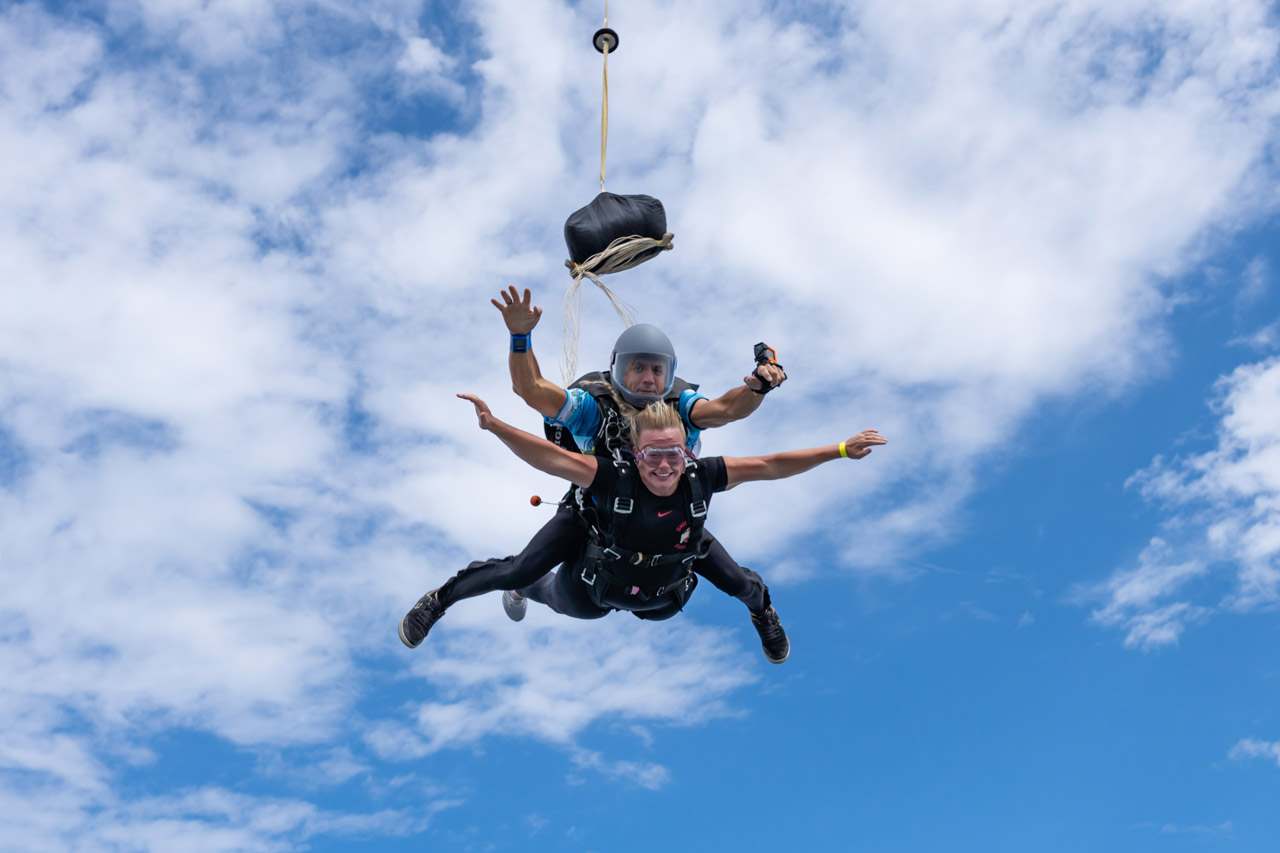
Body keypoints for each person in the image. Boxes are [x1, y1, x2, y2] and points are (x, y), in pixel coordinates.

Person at [399, 394, 886, 663]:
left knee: (741, 585)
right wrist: (497, 426)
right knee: (528, 574)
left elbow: (771, 464)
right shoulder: (614, 475)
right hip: (599, 558)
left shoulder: (700, 475)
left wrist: (840, 449)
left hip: (669, 571)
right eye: (652, 454)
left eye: (674, 454)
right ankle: (440, 600)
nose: (664, 466)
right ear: (636, 454)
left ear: (687, 453)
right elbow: (551, 459)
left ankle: (765, 616)